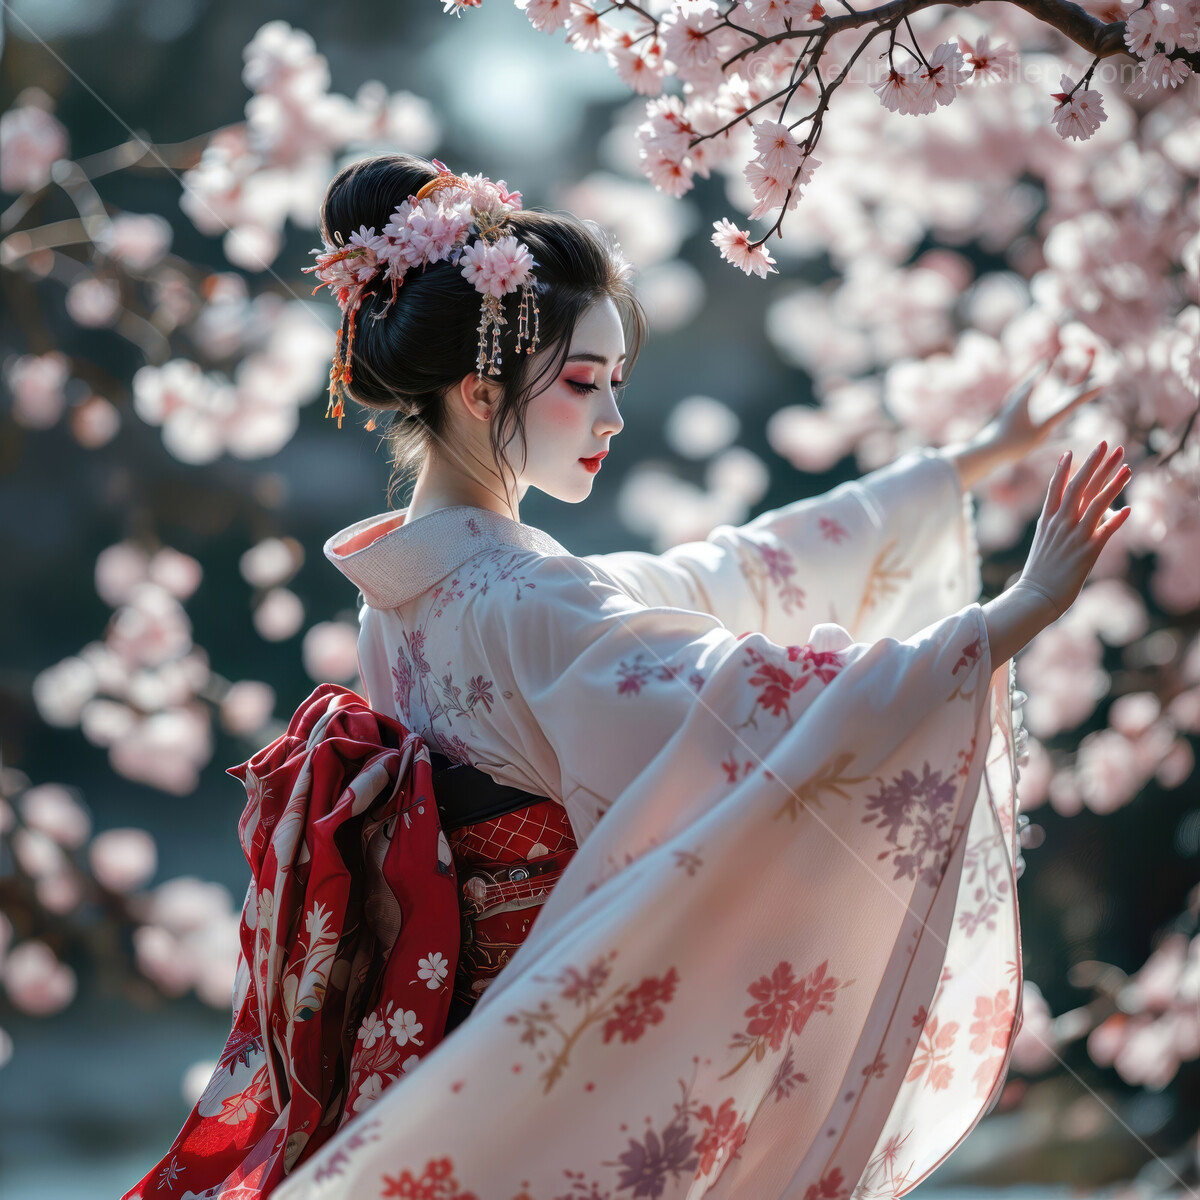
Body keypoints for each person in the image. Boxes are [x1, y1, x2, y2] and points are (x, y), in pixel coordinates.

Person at [275, 153, 1132, 1199]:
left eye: (617, 385)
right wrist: (1013, 617)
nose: (611, 420)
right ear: (479, 388)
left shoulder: (409, 586)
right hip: (542, 1078)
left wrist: (957, 470)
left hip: (455, 1048)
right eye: (584, 384)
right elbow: (750, 700)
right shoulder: (525, 600)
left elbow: (715, 579)